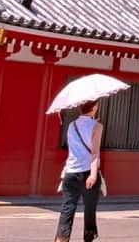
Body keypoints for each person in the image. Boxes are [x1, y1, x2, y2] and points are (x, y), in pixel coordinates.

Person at [52, 100, 102, 242]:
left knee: (67, 208)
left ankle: (62, 239)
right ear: (93, 107)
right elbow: (95, 153)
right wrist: (93, 174)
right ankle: (88, 238)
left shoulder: (71, 125)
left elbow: (73, 149)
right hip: (87, 172)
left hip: (70, 172)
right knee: (89, 209)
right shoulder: (97, 127)